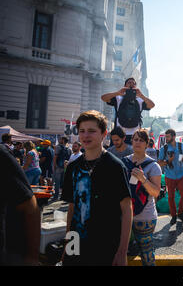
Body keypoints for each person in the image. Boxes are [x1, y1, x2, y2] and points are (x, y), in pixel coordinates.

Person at [61, 110, 132, 266]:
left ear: (103, 134)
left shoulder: (115, 167)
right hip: (77, 245)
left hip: (106, 247)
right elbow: (72, 209)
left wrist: (122, 252)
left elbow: (127, 209)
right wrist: (68, 246)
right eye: (82, 131)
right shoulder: (73, 167)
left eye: (92, 131)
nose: (86, 135)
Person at [122, 129, 161, 266]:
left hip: (145, 218)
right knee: (121, 253)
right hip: (124, 215)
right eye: (135, 139)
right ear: (131, 141)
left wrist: (142, 179)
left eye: (141, 140)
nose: (138, 142)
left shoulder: (153, 166)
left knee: (147, 255)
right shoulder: (124, 162)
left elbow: (156, 192)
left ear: (146, 144)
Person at [0, 143, 41, 266]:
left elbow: (29, 204)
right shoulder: (34, 152)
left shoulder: (28, 153)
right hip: (36, 171)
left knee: (26, 190)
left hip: (31, 171)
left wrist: (32, 257)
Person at [101, 77, 155, 145]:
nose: (131, 84)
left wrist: (141, 95)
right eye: (129, 83)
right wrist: (117, 93)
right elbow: (103, 98)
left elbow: (152, 105)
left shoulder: (140, 100)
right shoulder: (118, 98)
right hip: (119, 134)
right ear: (125, 86)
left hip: (135, 135)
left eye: (134, 83)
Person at [158, 129, 183, 225]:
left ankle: (181, 213)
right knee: (171, 197)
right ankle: (173, 216)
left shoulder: (181, 146)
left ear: (174, 136)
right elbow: (159, 163)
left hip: (181, 174)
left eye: (168, 136)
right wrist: (168, 161)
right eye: (165, 136)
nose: (166, 138)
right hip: (169, 175)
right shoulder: (164, 148)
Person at [53, 136, 72, 201]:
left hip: (58, 166)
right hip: (65, 167)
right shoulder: (69, 148)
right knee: (64, 182)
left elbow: (55, 156)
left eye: (60, 139)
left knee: (57, 182)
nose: (59, 140)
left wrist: (54, 165)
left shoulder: (58, 147)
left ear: (63, 140)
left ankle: (56, 197)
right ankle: (63, 196)